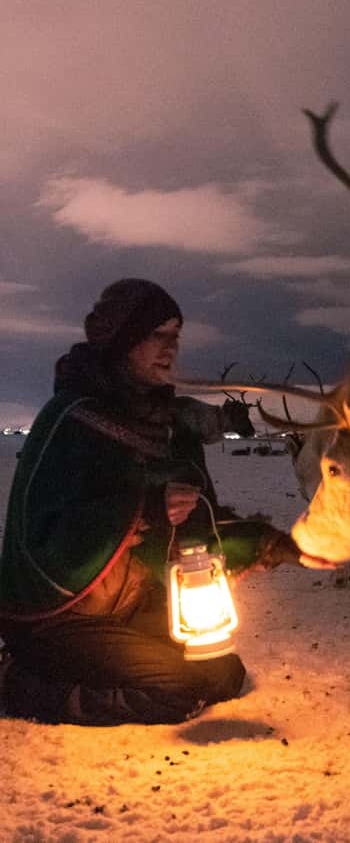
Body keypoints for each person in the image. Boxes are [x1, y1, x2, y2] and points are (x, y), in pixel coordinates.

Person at [0, 278, 300, 725]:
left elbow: (199, 525)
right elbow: (49, 543)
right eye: (155, 336)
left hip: (124, 611)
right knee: (174, 688)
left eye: (174, 336)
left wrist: (279, 545)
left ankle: (116, 666)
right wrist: (145, 508)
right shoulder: (69, 421)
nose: (170, 348)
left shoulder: (166, 427)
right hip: (57, 619)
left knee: (222, 673)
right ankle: (19, 685)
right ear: (121, 342)